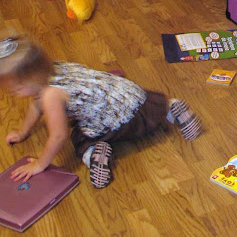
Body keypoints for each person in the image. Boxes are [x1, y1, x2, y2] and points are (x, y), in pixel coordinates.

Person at [0, 35, 201, 189]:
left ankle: (94, 153)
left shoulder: (50, 95)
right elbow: (35, 105)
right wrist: (23, 131)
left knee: (79, 136)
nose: (14, 95)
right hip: (132, 94)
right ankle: (171, 108)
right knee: (148, 105)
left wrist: (40, 164)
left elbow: (58, 136)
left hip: (119, 120)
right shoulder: (53, 68)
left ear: (30, 80)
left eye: (16, 90)